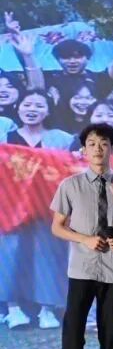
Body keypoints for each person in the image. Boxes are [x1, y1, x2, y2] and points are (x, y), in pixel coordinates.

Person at [51, 124, 113, 349]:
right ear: (83, 150)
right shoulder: (70, 185)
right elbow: (57, 227)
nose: (98, 149)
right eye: (92, 143)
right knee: (73, 333)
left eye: (104, 143)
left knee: (112, 337)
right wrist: (84, 239)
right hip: (82, 270)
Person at [0, 90, 72, 330]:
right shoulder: (5, 137)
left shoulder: (62, 139)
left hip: (46, 205)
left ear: (48, 110)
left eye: (39, 105)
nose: (32, 109)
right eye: (27, 104)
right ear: (18, 107)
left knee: (47, 255)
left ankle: (46, 310)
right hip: (10, 206)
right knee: (10, 254)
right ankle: (13, 308)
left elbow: (73, 165)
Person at [44, 12, 113, 104]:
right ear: (58, 60)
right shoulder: (50, 80)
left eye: (78, 57)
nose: (72, 61)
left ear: (87, 58)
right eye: (66, 57)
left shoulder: (99, 80)